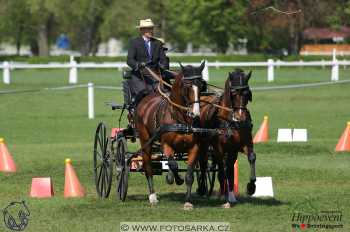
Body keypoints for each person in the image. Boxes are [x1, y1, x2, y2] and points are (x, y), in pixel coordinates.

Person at [123, 19, 168, 110]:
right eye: (148, 29)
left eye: (151, 29)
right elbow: (130, 60)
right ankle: (137, 111)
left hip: (155, 75)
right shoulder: (134, 43)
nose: (150, 31)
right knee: (144, 92)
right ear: (142, 30)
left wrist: (163, 66)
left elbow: (163, 60)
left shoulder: (158, 43)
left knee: (163, 92)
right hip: (139, 75)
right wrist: (138, 65)